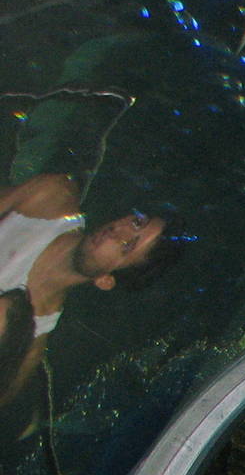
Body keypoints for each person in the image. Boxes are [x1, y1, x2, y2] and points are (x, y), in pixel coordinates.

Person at [0, 172, 172, 406]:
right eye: (136, 223)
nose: (117, 232)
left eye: (127, 246)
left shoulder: (30, 338)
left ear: (105, 281)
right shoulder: (50, 199)